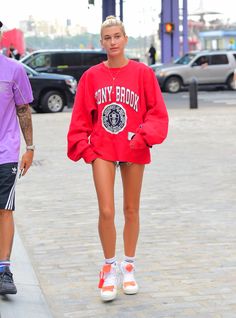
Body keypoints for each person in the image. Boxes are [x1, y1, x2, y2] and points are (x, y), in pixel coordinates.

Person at [67, 16, 168, 302]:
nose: (112, 42)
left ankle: (129, 266)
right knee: (107, 211)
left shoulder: (142, 74)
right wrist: (85, 148)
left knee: (131, 209)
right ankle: (109, 267)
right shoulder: (91, 77)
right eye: (107, 37)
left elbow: (157, 112)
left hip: (133, 147)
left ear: (125, 39)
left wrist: (144, 136)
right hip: (102, 148)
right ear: (102, 42)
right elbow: (79, 120)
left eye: (116, 36)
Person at [0, 21, 35, 295]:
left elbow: (23, 109)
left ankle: (4, 270)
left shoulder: (14, 70)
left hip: (6, 153)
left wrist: (30, 147)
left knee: (4, 210)